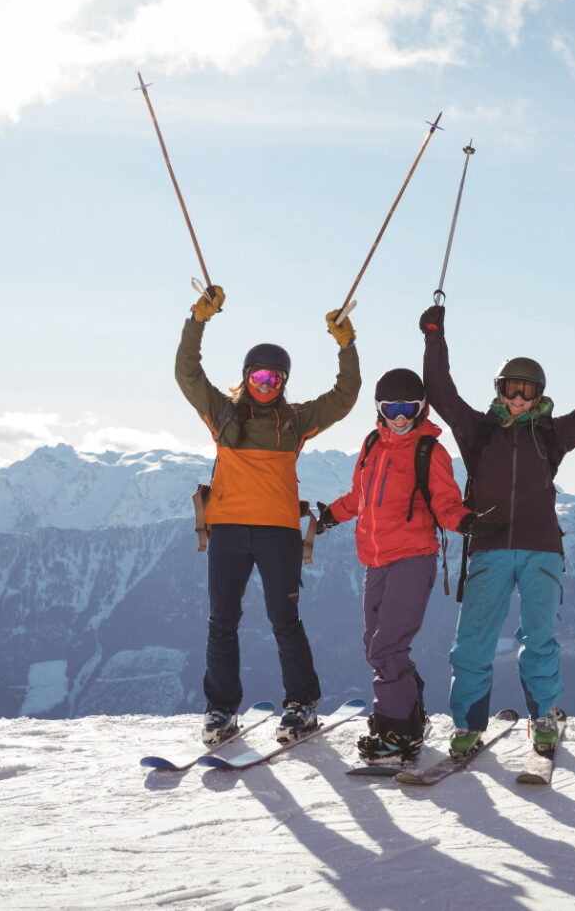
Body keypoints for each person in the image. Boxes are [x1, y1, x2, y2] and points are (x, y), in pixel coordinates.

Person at [418, 302, 575, 755]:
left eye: (527, 391)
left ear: (538, 394)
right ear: (500, 389)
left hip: (541, 550)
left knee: (539, 639)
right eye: (512, 388)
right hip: (489, 548)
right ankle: (468, 725)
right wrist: (434, 337)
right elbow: (439, 389)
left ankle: (544, 716)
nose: (518, 398)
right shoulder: (478, 430)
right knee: (473, 641)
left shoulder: (551, 433)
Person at [176, 285, 361, 744]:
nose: (265, 385)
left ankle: (301, 704)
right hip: (230, 532)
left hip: (278, 534)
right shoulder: (221, 414)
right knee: (223, 621)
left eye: (274, 380)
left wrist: (346, 345)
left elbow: (345, 395)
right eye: (259, 378)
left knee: (284, 620)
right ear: (246, 377)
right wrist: (197, 320)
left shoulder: (295, 421)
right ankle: (221, 710)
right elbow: (187, 373)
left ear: (284, 384)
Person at [315, 368, 484, 763]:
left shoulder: (430, 451)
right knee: (374, 644)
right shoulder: (373, 443)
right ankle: (409, 715)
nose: (401, 416)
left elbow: (446, 504)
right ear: (380, 408)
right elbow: (360, 496)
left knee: (388, 645)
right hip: (376, 560)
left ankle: (397, 732)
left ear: (422, 407)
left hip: (413, 558)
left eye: (409, 407)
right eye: (393, 407)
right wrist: (329, 517)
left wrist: (468, 522)